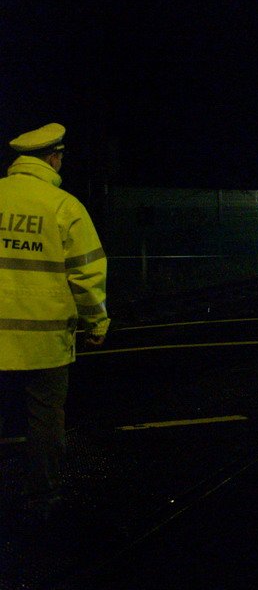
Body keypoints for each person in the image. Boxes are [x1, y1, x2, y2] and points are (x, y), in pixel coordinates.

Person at [0, 123, 109, 523]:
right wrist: (96, 323)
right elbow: (88, 274)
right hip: (43, 343)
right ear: (53, 157)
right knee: (45, 421)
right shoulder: (64, 206)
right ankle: (40, 499)